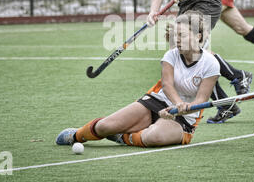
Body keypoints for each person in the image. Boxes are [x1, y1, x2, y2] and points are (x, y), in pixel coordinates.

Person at [56, 11, 220, 147]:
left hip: (184, 118)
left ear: (198, 36)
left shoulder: (210, 64)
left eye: (181, 35)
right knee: (105, 126)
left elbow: (200, 100)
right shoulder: (171, 55)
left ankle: (123, 137)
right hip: (158, 102)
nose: (176, 39)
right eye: (175, 35)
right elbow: (167, 85)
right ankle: (76, 135)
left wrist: (183, 108)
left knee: (153, 137)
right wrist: (177, 103)